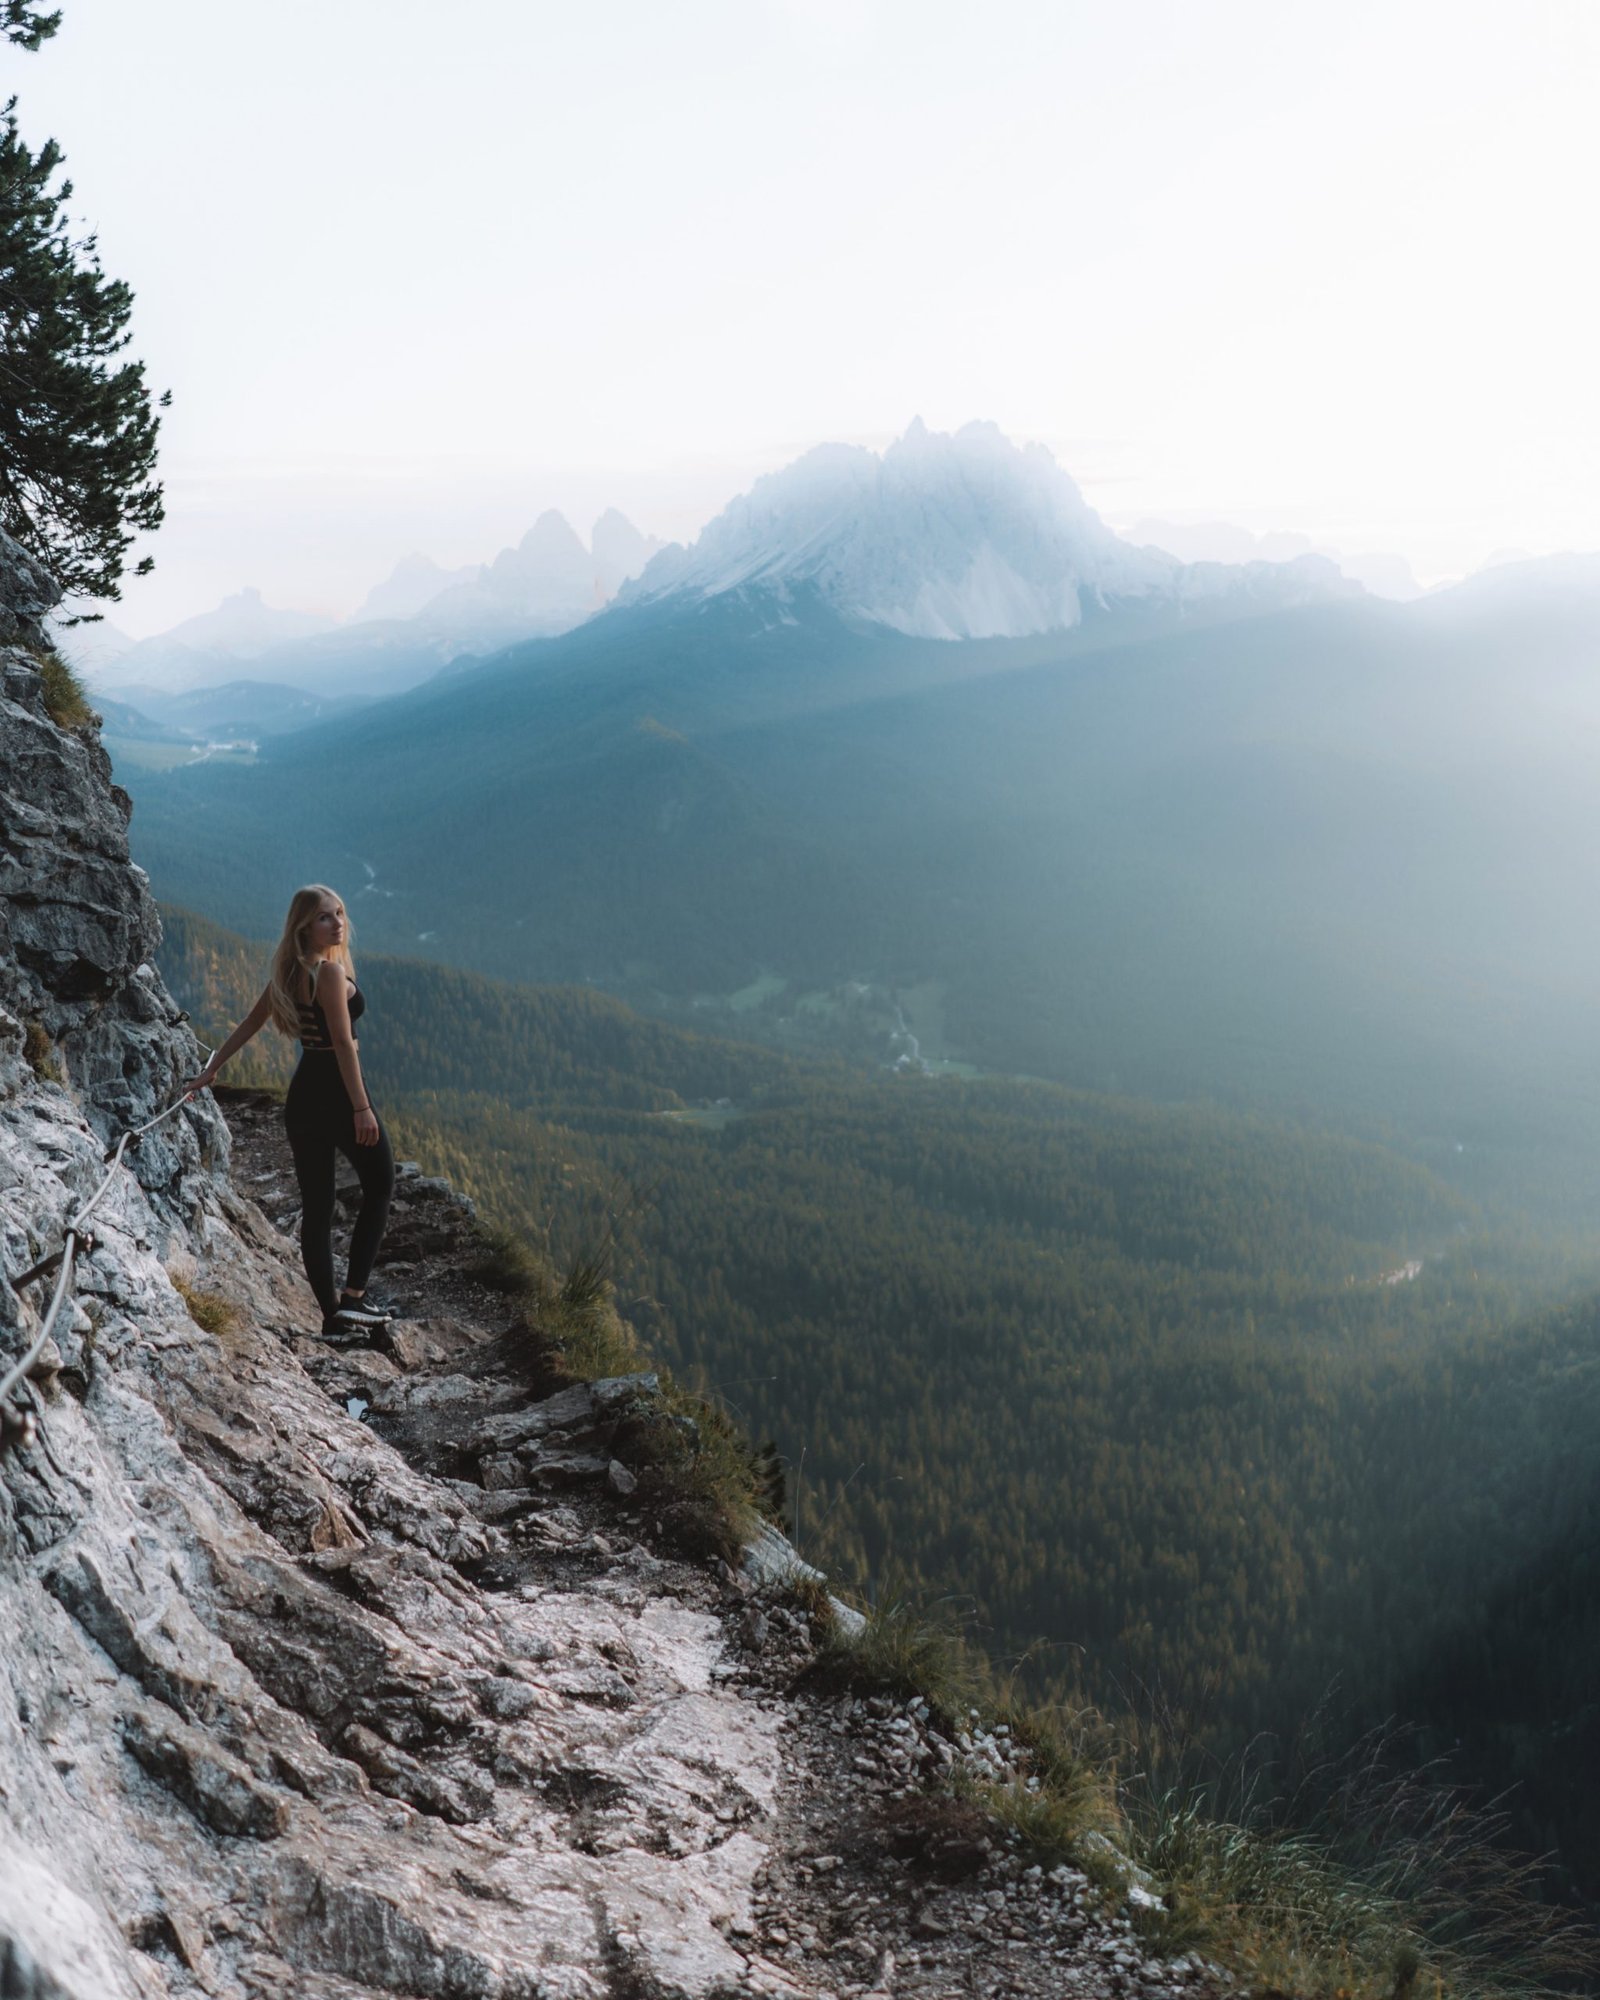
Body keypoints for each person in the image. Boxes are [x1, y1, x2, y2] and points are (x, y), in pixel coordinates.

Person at [187, 885, 396, 1338]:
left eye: (339, 913)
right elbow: (342, 1043)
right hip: (338, 1091)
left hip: (304, 1096)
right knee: (381, 1183)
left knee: (318, 1206)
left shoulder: (289, 970)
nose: (337, 922)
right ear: (304, 925)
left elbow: (250, 1022)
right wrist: (361, 1107)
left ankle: (332, 1317)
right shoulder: (328, 975)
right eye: (324, 917)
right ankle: (355, 1298)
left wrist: (212, 1068)